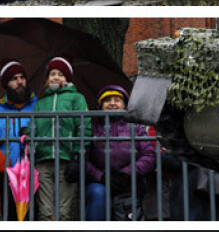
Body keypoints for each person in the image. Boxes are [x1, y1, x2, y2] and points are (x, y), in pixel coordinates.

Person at [33, 56, 91, 221]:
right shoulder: (41, 102)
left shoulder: (76, 98)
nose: (56, 77)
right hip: (43, 160)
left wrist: (78, 155)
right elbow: (34, 126)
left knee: (63, 211)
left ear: (67, 78)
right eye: (52, 74)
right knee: (44, 210)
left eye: (60, 74)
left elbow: (83, 125)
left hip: (66, 159)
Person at [85, 85, 155, 221]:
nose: (112, 103)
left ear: (124, 105)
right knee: (97, 193)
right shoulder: (92, 128)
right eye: (107, 100)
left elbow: (150, 155)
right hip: (100, 182)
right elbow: (83, 159)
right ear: (100, 106)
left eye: (117, 100)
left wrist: (127, 173)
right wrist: (101, 177)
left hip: (130, 182)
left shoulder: (136, 128)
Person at [0, 60, 38, 221]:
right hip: (6, 175)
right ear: (6, 84)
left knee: (34, 218)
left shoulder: (39, 106)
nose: (20, 81)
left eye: (22, 77)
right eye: (14, 78)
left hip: (35, 174)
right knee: (10, 219)